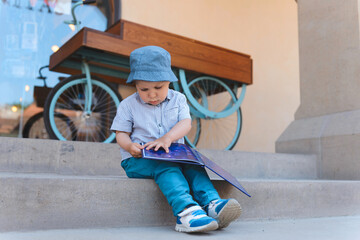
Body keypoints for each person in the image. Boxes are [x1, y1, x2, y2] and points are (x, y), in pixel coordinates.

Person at [111, 46, 242, 233]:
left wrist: (168, 138)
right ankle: (186, 213)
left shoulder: (178, 99)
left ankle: (212, 204)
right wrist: (129, 146)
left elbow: (185, 123)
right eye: (144, 89)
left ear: (169, 82)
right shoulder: (128, 105)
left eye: (158, 87)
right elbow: (121, 133)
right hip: (138, 160)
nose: (152, 94)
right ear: (135, 85)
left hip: (173, 154)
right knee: (166, 166)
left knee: (194, 164)